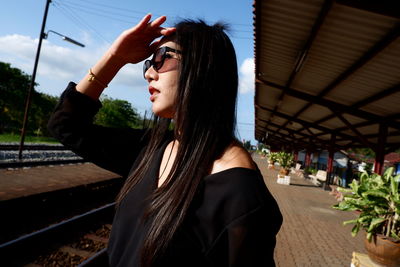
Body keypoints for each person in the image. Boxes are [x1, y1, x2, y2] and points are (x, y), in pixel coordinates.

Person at [48, 14, 282, 267]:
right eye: (148, 63)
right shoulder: (153, 148)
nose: (149, 73)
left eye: (161, 59)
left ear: (202, 67)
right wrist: (115, 58)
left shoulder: (240, 196)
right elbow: (66, 126)